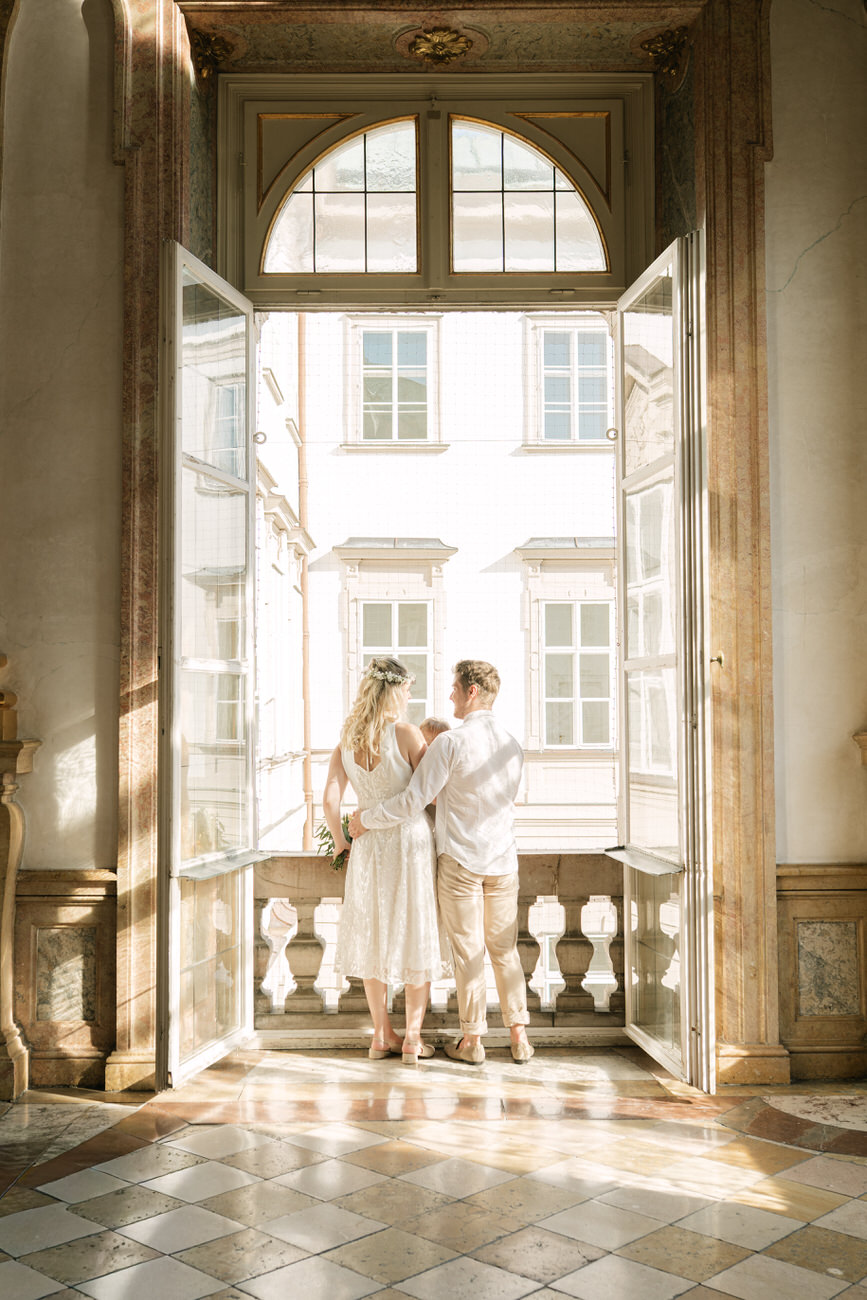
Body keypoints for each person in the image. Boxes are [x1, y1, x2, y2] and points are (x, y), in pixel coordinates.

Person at [350, 660, 533, 1065]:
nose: (449, 694)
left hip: (462, 861)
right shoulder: (512, 744)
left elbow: (414, 800)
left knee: (469, 953)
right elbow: (514, 800)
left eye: (454, 687)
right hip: (504, 861)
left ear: (471, 692)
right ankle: (519, 1036)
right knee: (505, 951)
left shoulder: (451, 743)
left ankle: (473, 1041)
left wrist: (365, 819)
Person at [324, 656, 451, 1064]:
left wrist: (343, 841)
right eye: (408, 689)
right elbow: (427, 794)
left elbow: (330, 799)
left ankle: (382, 1035)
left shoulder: (346, 740)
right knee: (416, 927)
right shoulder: (407, 734)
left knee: (373, 931)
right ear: (394, 691)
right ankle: (412, 1038)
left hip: (368, 846)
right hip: (408, 842)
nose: (410, 696)